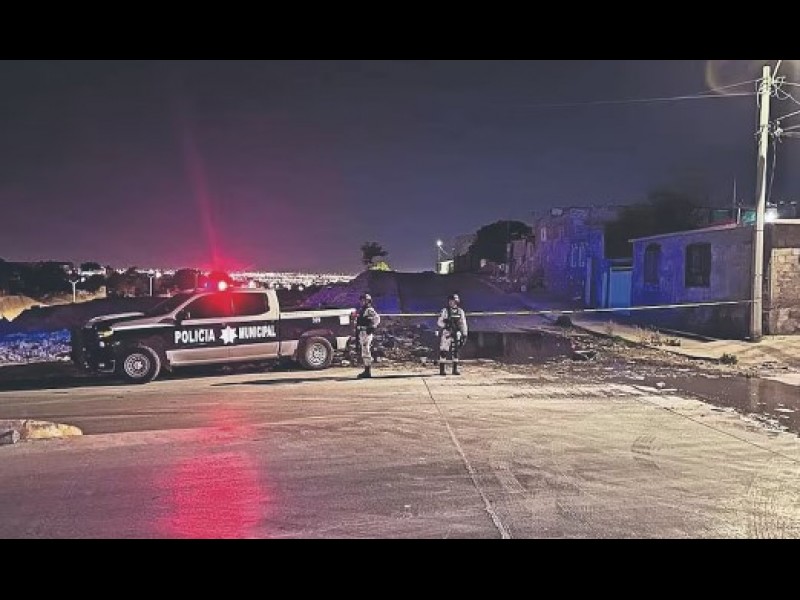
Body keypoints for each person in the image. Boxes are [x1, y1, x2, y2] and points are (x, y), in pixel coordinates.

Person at [437, 293, 468, 376]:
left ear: (456, 301)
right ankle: (442, 370)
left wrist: (464, 334)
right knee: (443, 351)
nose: (451, 302)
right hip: (447, 332)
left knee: (455, 351)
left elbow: (463, 323)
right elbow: (439, 322)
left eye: (453, 301)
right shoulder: (445, 311)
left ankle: (455, 369)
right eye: (450, 301)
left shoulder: (460, 311)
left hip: (456, 333)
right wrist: (446, 325)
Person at [353, 292, 380, 379]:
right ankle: (366, 370)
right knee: (364, 351)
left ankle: (367, 371)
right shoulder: (362, 310)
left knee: (366, 350)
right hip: (362, 332)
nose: (362, 302)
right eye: (361, 300)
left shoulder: (369, 310)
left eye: (364, 300)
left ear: (368, 301)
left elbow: (377, 319)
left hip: (366, 332)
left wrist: (372, 327)